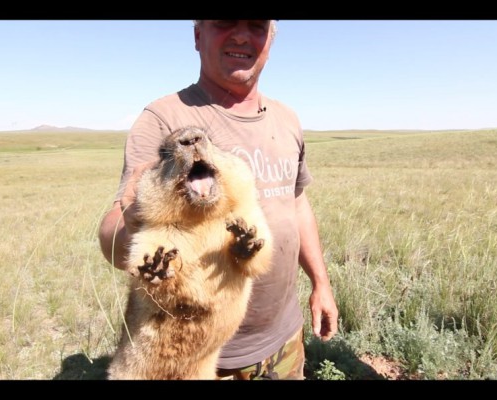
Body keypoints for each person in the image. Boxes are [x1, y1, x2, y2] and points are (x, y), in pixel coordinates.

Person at [98, 19, 338, 380]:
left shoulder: (287, 119)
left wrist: (321, 283)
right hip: (207, 361)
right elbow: (113, 234)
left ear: (271, 39)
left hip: (285, 341)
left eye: (257, 26)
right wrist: (133, 227)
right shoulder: (163, 118)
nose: (241, 35)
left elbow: (297, 204)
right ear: (198, 35)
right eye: (225, 22)